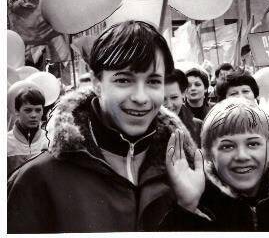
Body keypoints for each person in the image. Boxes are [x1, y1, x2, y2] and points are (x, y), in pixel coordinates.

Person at [8, 21, 198, 233]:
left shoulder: (187, 167)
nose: (141, 97)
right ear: (97, 83)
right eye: (124, 80)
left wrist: (188, 208)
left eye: (153, 81)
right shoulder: (37, 179)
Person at [160, 98, 269, 231]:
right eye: (227, 146)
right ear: (209, 154)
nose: (242, 156)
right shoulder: (199, 208)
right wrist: (185, 209)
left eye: (253, 144)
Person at [7, 88, 48, 177]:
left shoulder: (49, 140)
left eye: (38, 110)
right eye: (28, 110)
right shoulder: (6, 142)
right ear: (17, 111)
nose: (34, 115)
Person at [164, 69, 203, 146]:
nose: (169, 105)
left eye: (174, 97)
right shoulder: (145, 129)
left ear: (183, 94)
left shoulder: (198, 127)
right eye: (163, 99)